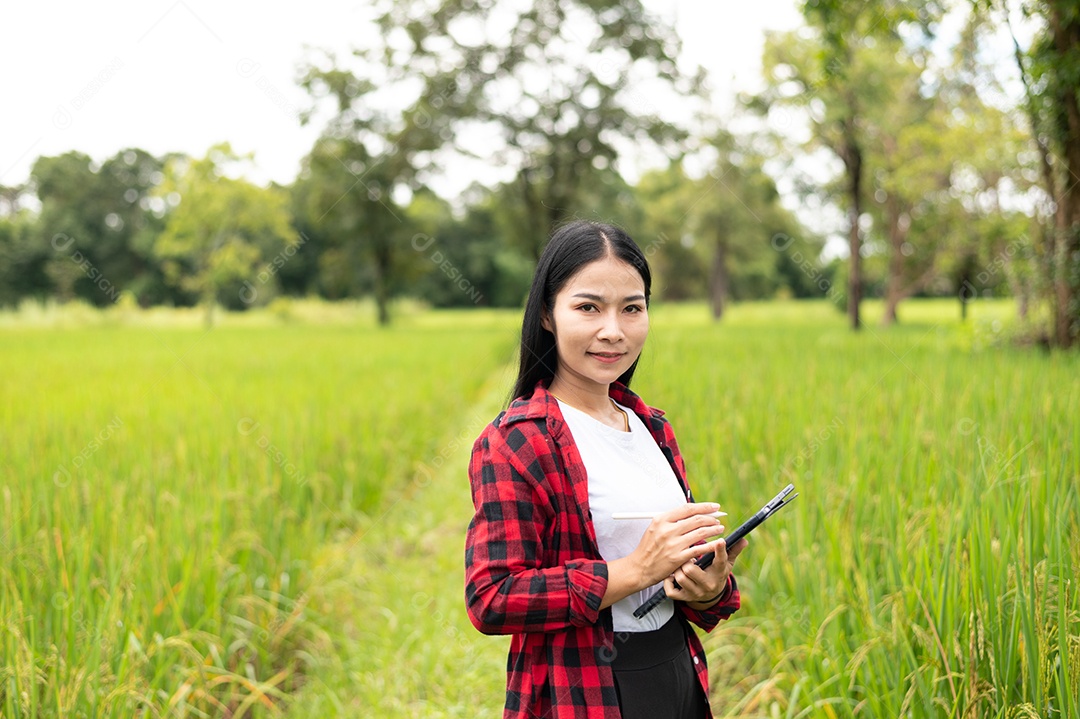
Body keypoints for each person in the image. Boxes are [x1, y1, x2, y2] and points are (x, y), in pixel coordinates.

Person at [464, 220, 748, 719]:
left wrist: (709, 587)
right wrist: (633, 570)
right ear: (548, 315)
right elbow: (492, 596)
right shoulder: (517, 440)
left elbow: (681, 586)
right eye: (588, 307)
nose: (613, 331)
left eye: (632, 308)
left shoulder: (651, 427)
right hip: (583, 690)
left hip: (677, 676)